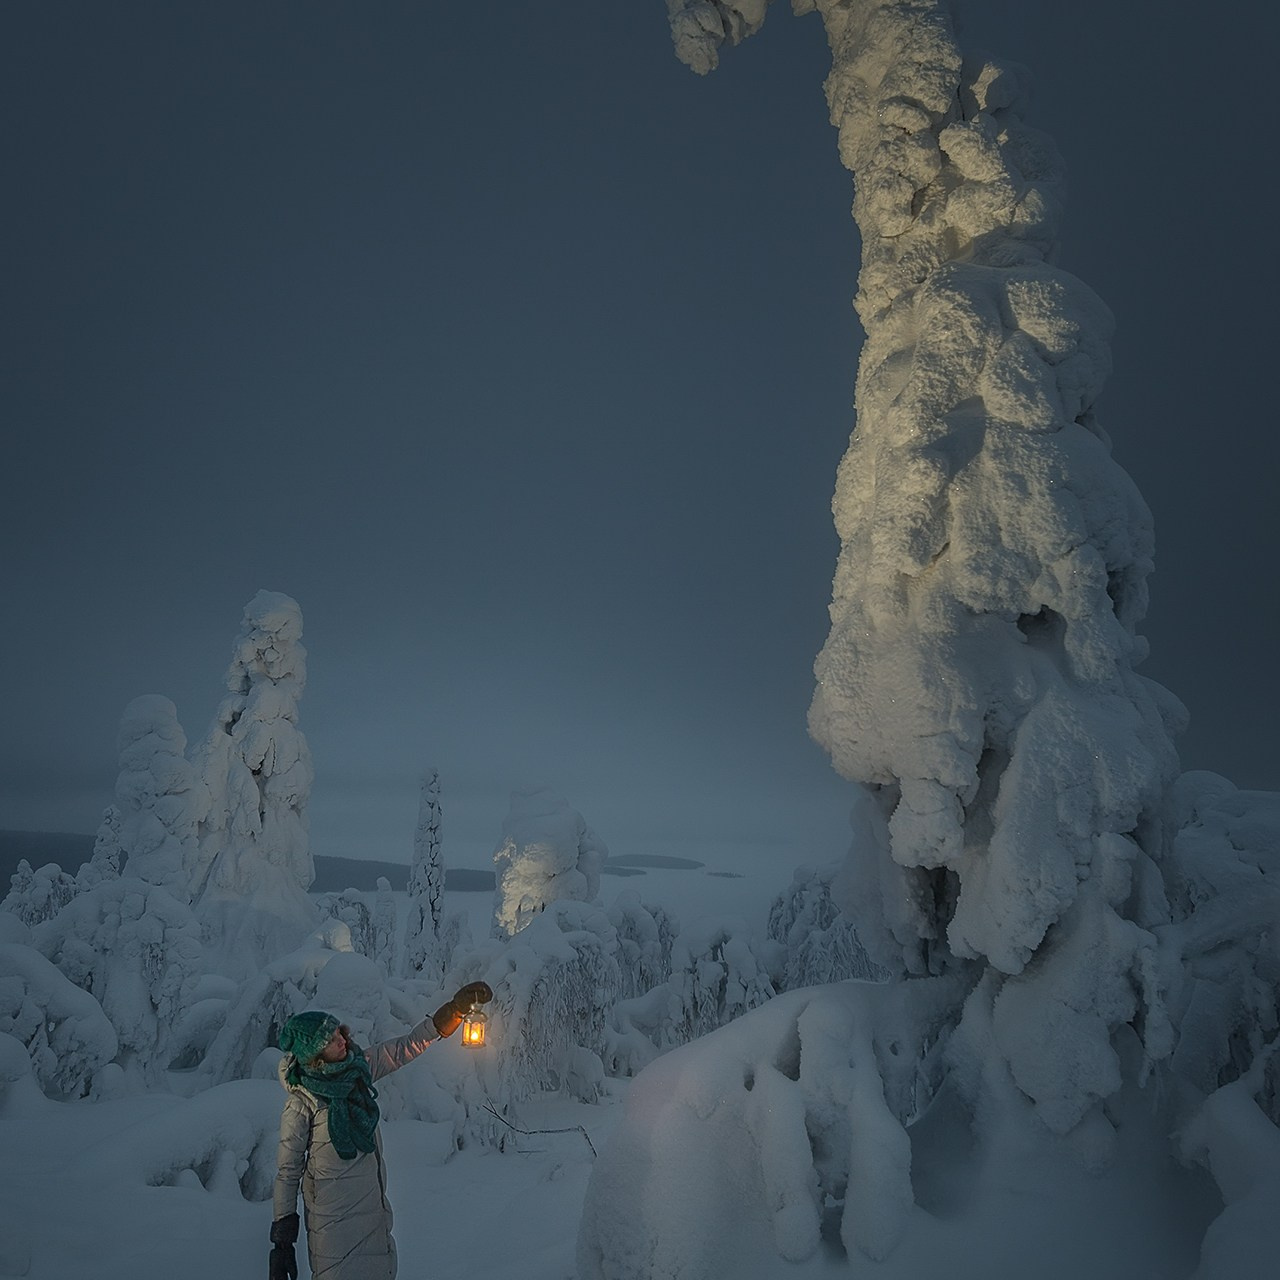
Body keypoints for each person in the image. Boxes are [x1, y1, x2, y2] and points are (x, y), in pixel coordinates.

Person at [269, 981, 494, 1280]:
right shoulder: (301, 1103)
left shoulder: (357, 1070)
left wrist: (453, 1011)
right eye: (330, 1039)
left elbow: (405, 1047)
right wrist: (282, 1241)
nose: (341, 1040)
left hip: (373, 1212)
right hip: (332, 1222)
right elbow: (288, 1172)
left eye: (339, 1032)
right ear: (314, 1054)